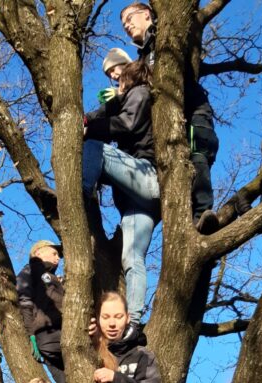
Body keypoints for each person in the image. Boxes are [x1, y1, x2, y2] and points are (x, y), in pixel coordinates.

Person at [120, 2, 219, 233]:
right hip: (171, 122)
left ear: (146, 14)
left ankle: (202, 212)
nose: (127, 25)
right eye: (123, 24)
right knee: (181, 169)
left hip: (193, 113)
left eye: (129, 18)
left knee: (197, 158)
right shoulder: (143, 54)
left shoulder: (163, 36)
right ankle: (193, 224)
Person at [83, 59, 160, 329]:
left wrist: (87, 129)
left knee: (95, 146)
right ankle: (135, 322)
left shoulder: (139, 91)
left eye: (119, 80)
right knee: (132, 258)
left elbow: (125, 124)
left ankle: (82, 191)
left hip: (146, 175)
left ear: (129, 77)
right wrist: (89, 118)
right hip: (141, 202)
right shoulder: (130, 97)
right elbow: (107, 113)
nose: (117, 84)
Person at [16, 240, 68, 383]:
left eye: (58, 255)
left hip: (51, 336)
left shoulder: (51, 277)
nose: (58, 258)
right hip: (50, 333)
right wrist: (31, 334)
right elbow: (25, 302)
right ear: (38, 253)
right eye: (53, 253)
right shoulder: (33, 270)